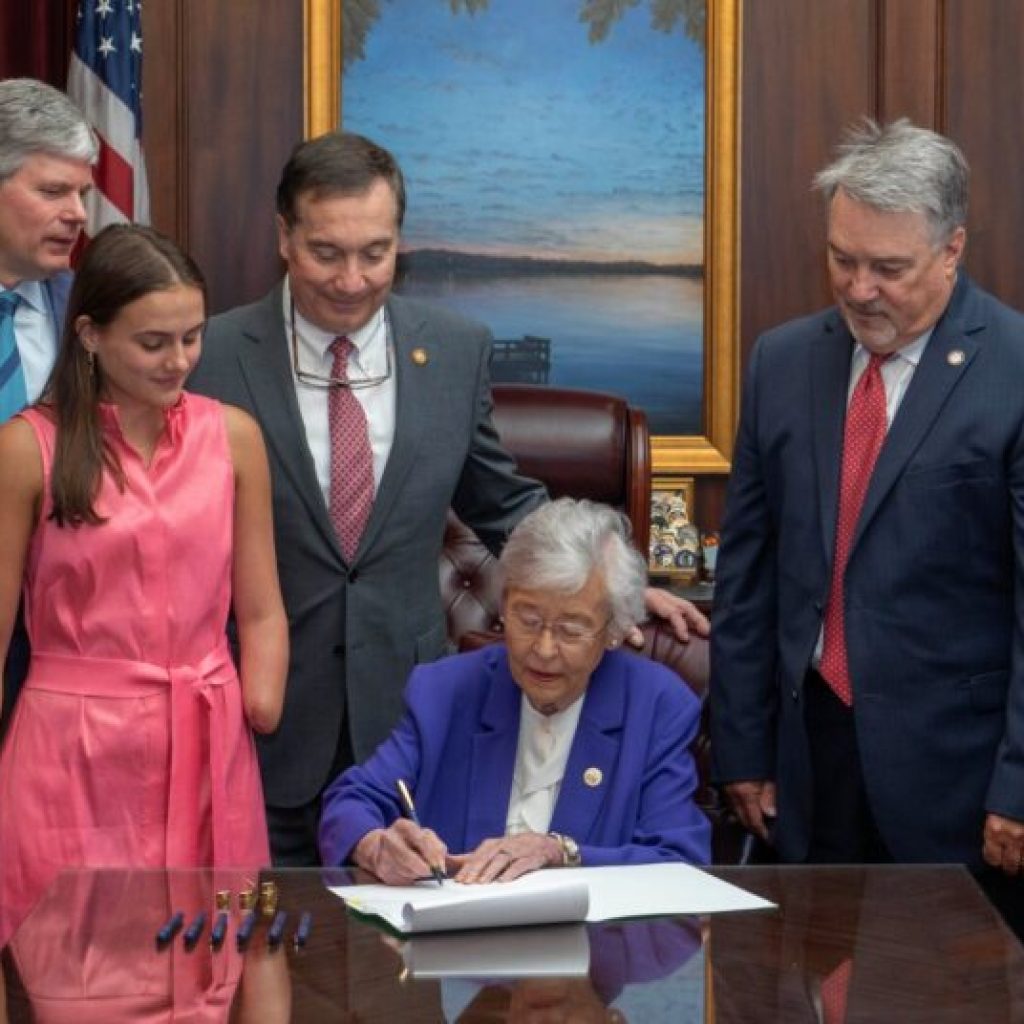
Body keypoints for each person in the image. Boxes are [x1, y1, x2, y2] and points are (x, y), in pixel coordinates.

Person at [188, 131, 708, 866]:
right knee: (269, 931)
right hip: (260, 715)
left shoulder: (455, 350)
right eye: (326, 252)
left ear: (400, 242)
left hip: (403, 720)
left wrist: (617, 582)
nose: (351, 279)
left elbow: (499, 501)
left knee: (406, 927)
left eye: (374, 253)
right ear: (284, 237)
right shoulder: (209, 356)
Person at [709, 118, 1024, 934]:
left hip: (958, 780)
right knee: (803, 978)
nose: (858, 289)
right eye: (842, 259)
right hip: (808, 766)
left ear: (952, 250)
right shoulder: (781, 363)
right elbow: (746, 577)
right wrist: (742, 748)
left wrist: (1019, 785)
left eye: (888, 268)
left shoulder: (1014, 370)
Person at [0, 224, 288, 946]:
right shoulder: (25, 448)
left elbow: (260, 607)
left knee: (226, 953)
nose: (180, 360)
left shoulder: (235, 437)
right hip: (69, 750)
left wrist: (260, 699)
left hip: (207, 738)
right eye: (154, 342)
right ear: (90, 335)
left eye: (192, 337)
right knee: (62, 957)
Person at [319, 498, 711, 882]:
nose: (543, 649)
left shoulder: (656, 706)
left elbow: (680, 860)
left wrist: (562, 853)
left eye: (570, 630)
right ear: (504, 605)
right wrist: (375, 845)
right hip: (457, 923)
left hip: (589, 927)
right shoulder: (446, 691)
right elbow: (351, 800)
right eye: (527, 620)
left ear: (614, 630)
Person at [0, 78, 97, 721]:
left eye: (82, 193)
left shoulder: (91, 319)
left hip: (60, 655)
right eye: (53, 191)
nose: (78, 213)